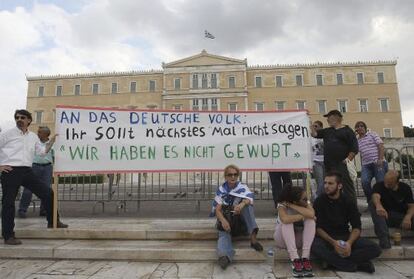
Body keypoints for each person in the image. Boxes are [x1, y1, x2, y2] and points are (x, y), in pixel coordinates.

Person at [0, 109, 68, 245]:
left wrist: (52, 141)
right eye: (17, 117)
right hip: (10, 171)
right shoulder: (7, 134)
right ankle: (8, 236)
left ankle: (53, 221)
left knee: (48, 193)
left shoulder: (33, 137)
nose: (19, 119)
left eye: (23, 117)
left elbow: (42, 152)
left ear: (29, 121)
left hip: (27, 171)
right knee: (8, 203)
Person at [311, 172, 381, 273]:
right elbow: (318, 228)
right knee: (315, 246)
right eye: (325, 183)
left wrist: (349, 243)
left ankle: (332, 262)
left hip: (345, 237)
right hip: (326, 238)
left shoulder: (348, 201)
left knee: (375, 249)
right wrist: (334, 243)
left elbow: (357, 227)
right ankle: (358, 265)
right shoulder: (319, 201)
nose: (326, 186)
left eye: (330, 184)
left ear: (339, 186)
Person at [213, 164, 263, 270]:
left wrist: (242, 204)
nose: (233, 177)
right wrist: (223, 220)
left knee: (248, 207)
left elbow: (249, 199)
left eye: (235, 174)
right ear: (225, 176)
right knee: (223, 234)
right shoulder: (221, 189)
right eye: (230, 175)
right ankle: (224, 256)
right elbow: (217, 210)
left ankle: (253, 239)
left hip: (241, 222)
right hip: (228, 221)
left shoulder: (242, 187)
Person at [311, 110, 358, 202]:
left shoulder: (347, 131)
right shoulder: (328, 131)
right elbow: (315, 134)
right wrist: (310, 124)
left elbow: (354, 148)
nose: (327, 120)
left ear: (335, 118)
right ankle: (334, 207)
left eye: (328, 118)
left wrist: (348, 160)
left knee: (347, 187)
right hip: (329, 165)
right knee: (331, 187)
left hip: (342, 164)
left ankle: (352, 209)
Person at [274, 184, 316, 277]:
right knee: (287, 222)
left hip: (298, 239)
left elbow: (311, 214)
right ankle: (295, 259)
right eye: (304, 199)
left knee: (311, 220)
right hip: (283, 240)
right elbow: (284, 219)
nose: (307, 200)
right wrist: (302, 216)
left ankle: (305, 258)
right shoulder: (282, 204)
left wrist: (293, 206)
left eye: (306, 198)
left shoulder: (306, 203)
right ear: (295, 201)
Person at [369, 170, 414, 249]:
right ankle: (384, 241)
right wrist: (379, 205)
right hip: (385, 217)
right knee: (372, 204)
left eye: (389, 183)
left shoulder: (405, 188)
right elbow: (375, 196)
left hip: (401, 217)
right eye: (385, 181)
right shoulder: (379, 185)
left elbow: (411, 206)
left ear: (397, 182)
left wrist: (408, 217)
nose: (386, 184)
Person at [18, 126, 54, 218]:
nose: (38, 134)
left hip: (47, 167)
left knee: (46, 189)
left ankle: (43, 210)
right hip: (34, 166)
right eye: (38, 132)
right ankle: (22, 210)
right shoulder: (34, 142)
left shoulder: (52, 144)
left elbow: (54, 156)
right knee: (28, 189)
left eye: (40, 132)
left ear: (46, 134)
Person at [355, 121, 388, 203]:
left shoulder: (372, 134)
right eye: (358, 126)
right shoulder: (357, 140)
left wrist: (380, 159)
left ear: (365, 128)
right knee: (364, 182)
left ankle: (383, 203)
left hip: (378, 162)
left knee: (380, 183)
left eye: (362, 126)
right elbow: (353, 150)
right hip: (366, 165)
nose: (360, 127)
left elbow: (380, 145)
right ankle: (371, 202)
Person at [311, 120, 324, 198]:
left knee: (327, 182)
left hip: (326, 161)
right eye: (313, 126)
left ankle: (322, 199)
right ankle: (317, 199)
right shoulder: (311, 137)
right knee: (320, 182)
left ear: (321, 127)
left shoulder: (324, 136)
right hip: (316, 162)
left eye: (316, 126)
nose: (314, 128)